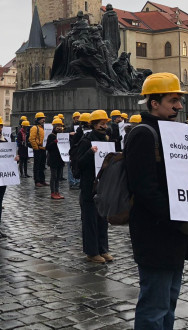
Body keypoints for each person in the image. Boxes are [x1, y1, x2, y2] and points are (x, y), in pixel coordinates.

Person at [126, 73, 188, 328]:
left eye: (179, 100)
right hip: (156, 235)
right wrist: (177, 221)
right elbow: (145, 190)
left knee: (168, 304)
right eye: (173, 100)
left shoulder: (177, 132)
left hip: (174, 236)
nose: (179, 106)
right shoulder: (143, 135)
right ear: (154, 103)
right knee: (155, 307)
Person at [75, 110, 111, 262]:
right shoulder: (85, 141)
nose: (104, 126)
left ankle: (103, 249)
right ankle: (92, 252)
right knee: (90, 220)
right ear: (94, 125)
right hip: (89, 186)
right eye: (101, 124)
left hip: (103, 185)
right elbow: (78, 164)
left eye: (105, 123)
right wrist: (90, 153)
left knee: (102, 219)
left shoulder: (107, 139)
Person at [46, 118, 66, 200]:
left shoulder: (63, 136)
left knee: (58, 177)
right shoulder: (51, 136)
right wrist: (55, 142)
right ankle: (53, 192)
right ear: (54, 127)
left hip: (60, 159)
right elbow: (48, 147)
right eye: (57, 126)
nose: (59, 127)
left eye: (60, 126)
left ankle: (57, 192)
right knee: (53, 177)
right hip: (53, 159)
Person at [29, 112, 47, 188]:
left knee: (42, 166)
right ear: (38, 119)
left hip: (43, 149)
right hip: (38, 149)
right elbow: (31, 139)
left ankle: (42, 180)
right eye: (42, 118)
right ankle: (37, 181)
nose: (43, 119)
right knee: (37, 166)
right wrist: (36, 148)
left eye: (44, 118)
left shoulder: (44, 128)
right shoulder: (34, 128)